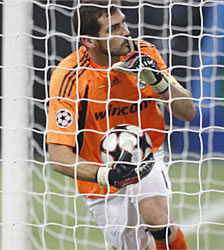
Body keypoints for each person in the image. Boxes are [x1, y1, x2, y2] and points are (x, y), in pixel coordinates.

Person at [47, 0, 196, 249]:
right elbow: (58, 155)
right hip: (100, 176)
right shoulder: (69, 76)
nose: (126, 32)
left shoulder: (143, 53)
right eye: (114, 28)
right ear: (89, 41)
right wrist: (106, 175)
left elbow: (188, 112)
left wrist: (159, 83)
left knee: (159, 220)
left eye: (123, 23)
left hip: (147, 154)